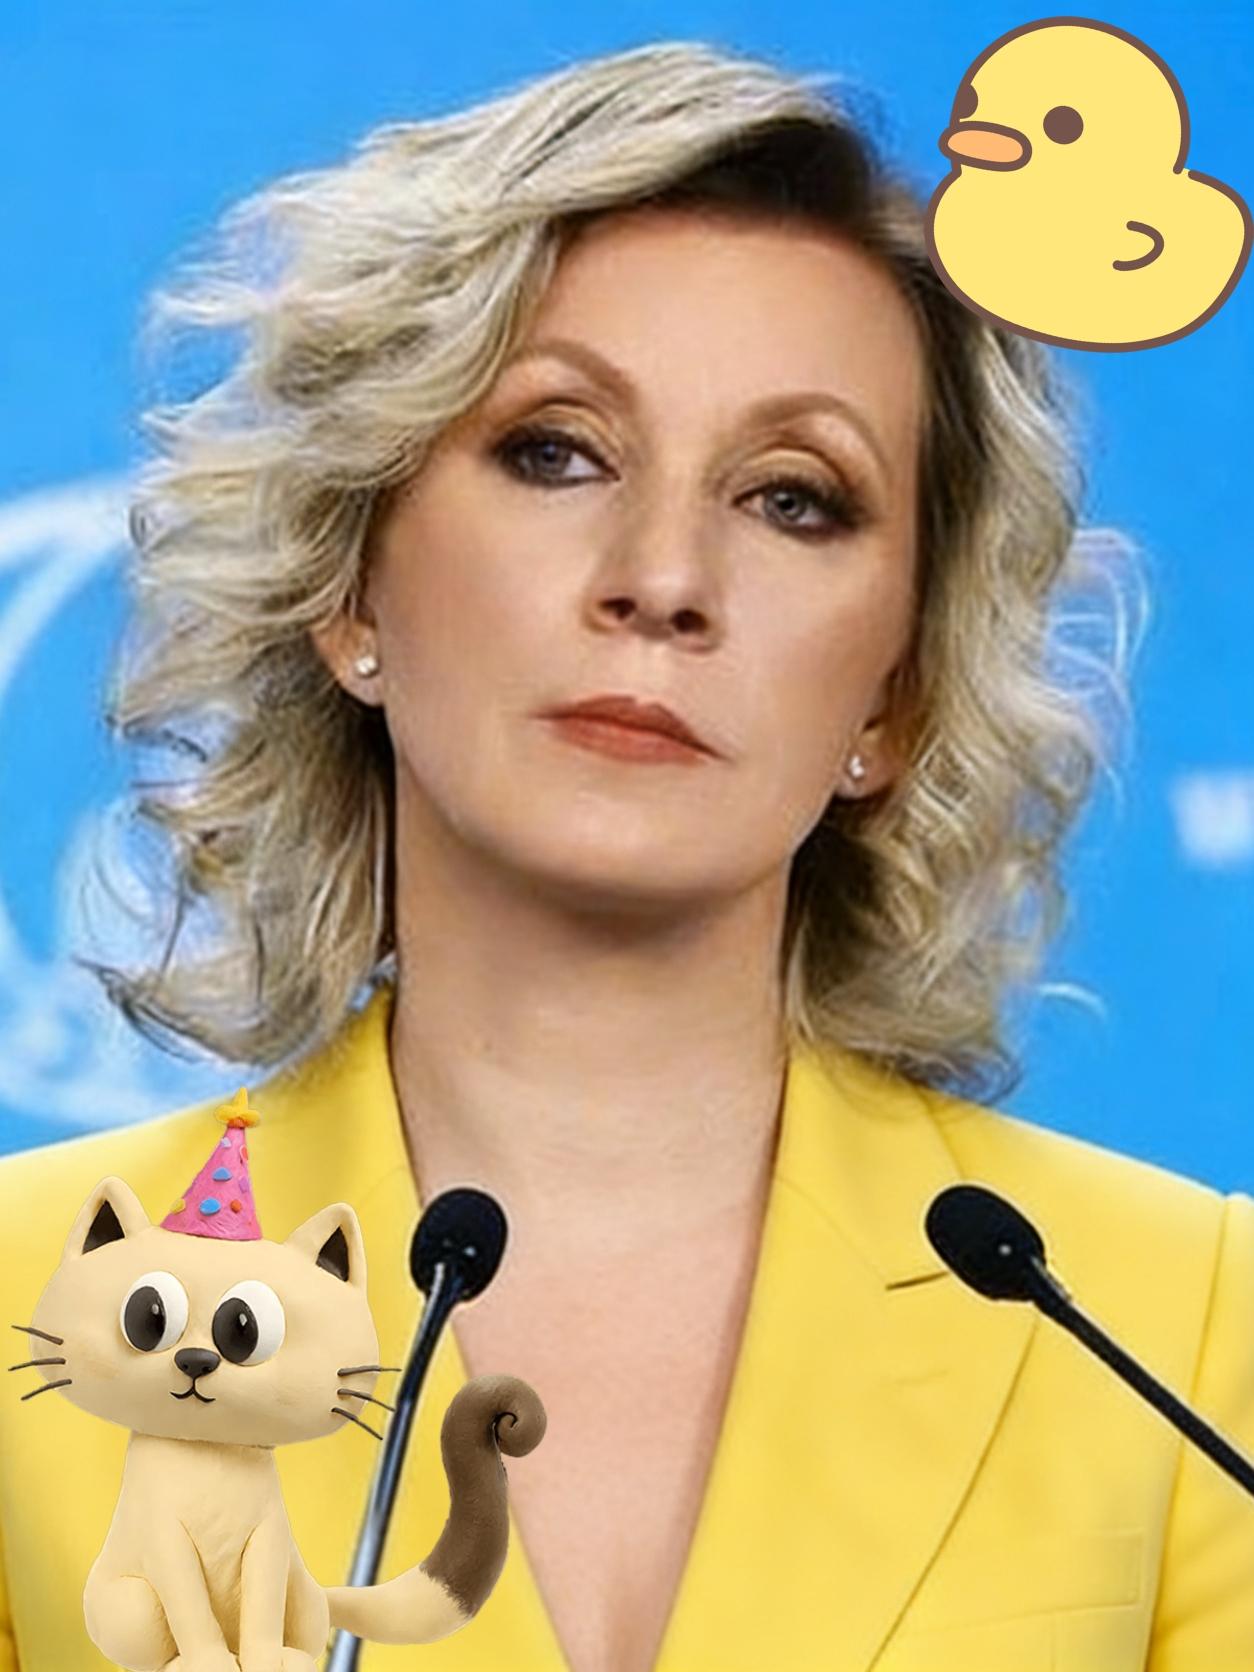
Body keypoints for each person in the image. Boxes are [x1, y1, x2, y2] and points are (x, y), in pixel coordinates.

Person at [1, 36, 1250, 1672]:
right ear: (350, 584)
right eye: (556, 451)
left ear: (893, 693)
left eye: (793, 499)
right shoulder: (24, 1300)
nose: (662, 580)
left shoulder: (1180, 1322)